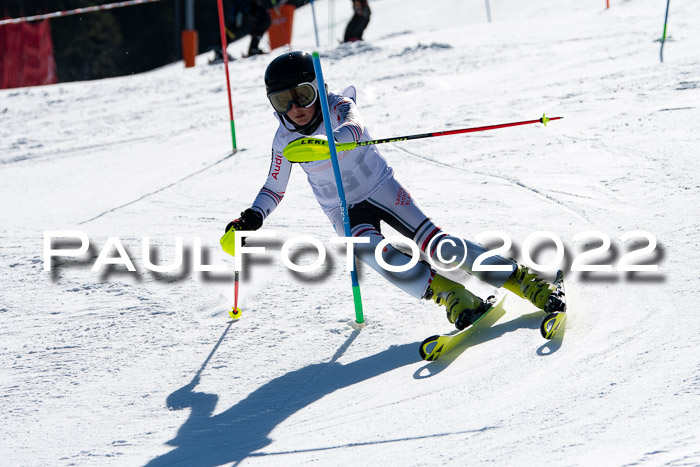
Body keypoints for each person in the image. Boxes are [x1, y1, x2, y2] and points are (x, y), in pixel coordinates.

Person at [225, 51, 565, 330]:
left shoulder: (337, 105)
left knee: (439, 244)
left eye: (303, 95)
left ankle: (522, 280)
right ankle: (451, 295)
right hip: (342, 210)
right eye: (283, 100)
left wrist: (328, 143)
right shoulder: (284, 140)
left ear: (318, 88)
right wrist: (251, 218)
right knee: (378, 255)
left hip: (380, 187)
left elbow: (355, 127)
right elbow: (273, 187)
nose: (295, 108)